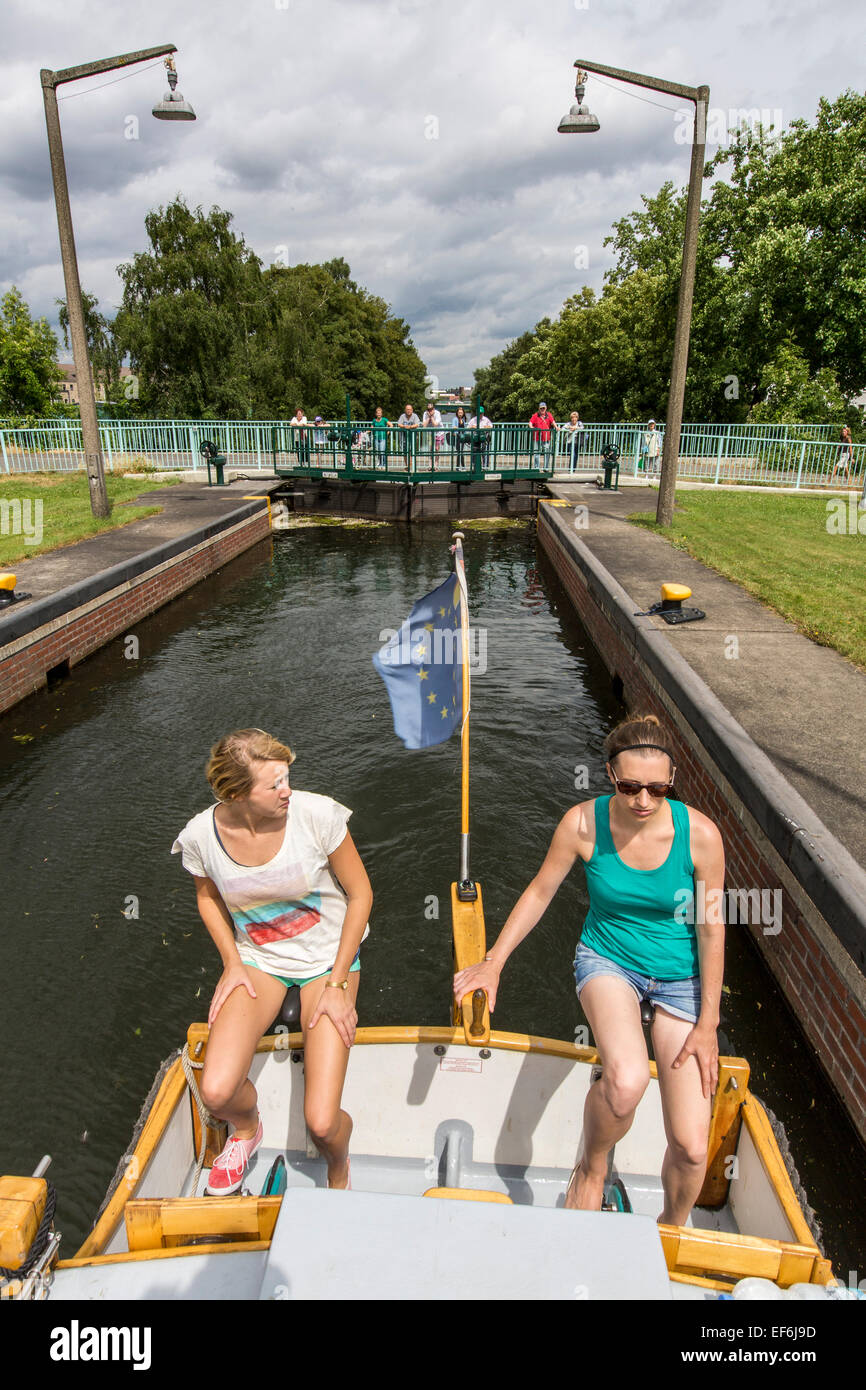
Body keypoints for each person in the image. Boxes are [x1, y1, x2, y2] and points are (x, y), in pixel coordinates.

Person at [453, 713, 725, 1226]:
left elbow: (712, 930)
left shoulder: (702, 837)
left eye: (656, 788)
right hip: (609, 958)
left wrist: (708, 1023)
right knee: (625, 1081)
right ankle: (592, 1165)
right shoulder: (582, 824)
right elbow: (539, 892)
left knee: (691, 1147)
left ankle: (670, 1229)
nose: (643, 801)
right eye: (629, 787)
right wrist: (493, 963)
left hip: (681, 978)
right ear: (609, 775)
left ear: (671, 780)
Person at [171, 728, 373, 1195]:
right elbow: (208, 900)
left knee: (322, 1124)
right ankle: (247, 1130)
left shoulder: (317, 816)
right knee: (217, 1092)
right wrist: (232, 963)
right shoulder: (202, 835)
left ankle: (338, 1168)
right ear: (238, 794)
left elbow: (361, 895)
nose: (288, 791)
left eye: (287, 778)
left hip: (327, 961)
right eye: (274, 785)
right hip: (260, 960)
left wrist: (339, 985)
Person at [529, 402, 557, 470]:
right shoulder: (535, 415)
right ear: (539, 408)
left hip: (546, 437)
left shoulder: (549, 415)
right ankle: (536, 467)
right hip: (537, 437)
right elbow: (530, 423)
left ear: (546, 408)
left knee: (547, 453)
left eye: (543, 408)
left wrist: (556, 427)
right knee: (536, 453)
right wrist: (532, 428)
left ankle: (546, 467)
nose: (542, 409)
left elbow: (553, 422)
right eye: (541, 408)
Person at [422, 400, 445, 466]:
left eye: (431, 409)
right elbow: (424, 425)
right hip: (430, 433)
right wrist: (428, 417)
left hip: (439, 432)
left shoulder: (437, 413)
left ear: (434, 409)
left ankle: (436, 465)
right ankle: (430, 465)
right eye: (428, 409)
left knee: (437, 449)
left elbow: (435, 424)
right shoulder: (425, 414)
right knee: (431, 449)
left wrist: (431, 417)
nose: (430, 411)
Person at [452, 405, 469, 470]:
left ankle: (461, 467)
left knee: (461, 452)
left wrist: (466, 437)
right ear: (457, 413)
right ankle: (458, 467)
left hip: (462, 438)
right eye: (459, 412)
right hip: (457, 438)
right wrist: (458, 430)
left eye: (461, 413)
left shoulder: (463, 420)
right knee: (459, 452)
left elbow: (464, 429)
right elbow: (454, 427)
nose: (460, 414)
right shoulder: (455, 419)